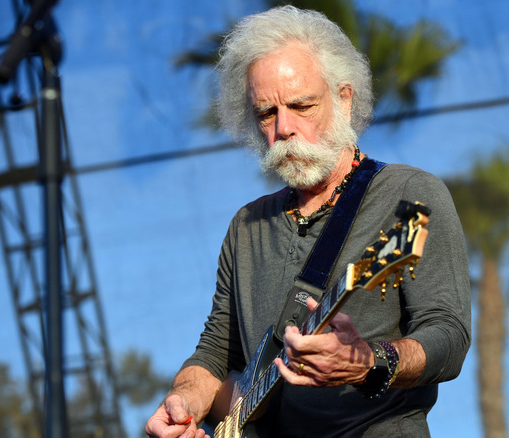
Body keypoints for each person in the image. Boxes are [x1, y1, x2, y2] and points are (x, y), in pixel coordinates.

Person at [145, 5, 471, 437]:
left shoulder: (409, 197)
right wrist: (184, 402)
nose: (283, 127)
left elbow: (448, 335)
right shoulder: (246, 226)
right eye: (265, 112)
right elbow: (215, 353)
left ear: (344, 99)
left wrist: (369, 361)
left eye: (301, 105)